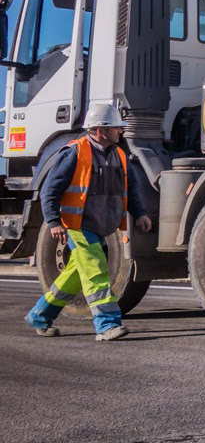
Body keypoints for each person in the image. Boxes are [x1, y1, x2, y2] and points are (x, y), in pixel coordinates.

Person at [24, 102, 153, 340]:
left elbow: (131, 189)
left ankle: (39, 315)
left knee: (74, 275)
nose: (120, 131)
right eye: (115, 127)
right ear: (101, 130)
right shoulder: (73, 153)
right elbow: (49, 191)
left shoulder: (119, 156)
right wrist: (54, 221)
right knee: (96, 270)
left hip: (102, 225)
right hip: (78, 225)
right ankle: (106, 325)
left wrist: (141, 213)